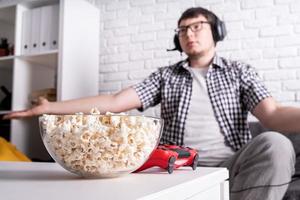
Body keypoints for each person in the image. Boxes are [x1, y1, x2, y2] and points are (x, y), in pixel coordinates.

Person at [3, 7, 300, 200]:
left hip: (231, 163)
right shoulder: (165, 77)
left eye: (196, 26)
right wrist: (47, 108)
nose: (188, 33)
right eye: (182, 29)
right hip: (180, 165)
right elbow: (115, 101)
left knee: (276, 143)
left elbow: (272, 115)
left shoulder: (240, 72)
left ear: (216, 31)